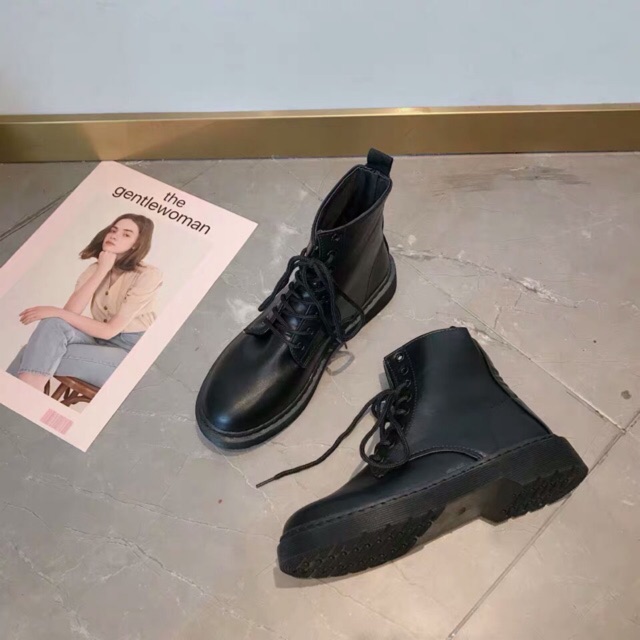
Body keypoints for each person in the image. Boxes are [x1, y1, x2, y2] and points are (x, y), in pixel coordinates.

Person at [7, 214, 162, 394]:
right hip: (96, 342)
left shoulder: (148, 275)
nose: (114, 236)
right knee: (52, 326)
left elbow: (109, 331)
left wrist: (55, 310)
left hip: (129, 355)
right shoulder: (96, 268)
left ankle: (19, 397)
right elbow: (68, 315)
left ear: (136, 244)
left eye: (126, 234)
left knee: (34, 353)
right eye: (113, 230)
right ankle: (24, 396)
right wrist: (102, 270)